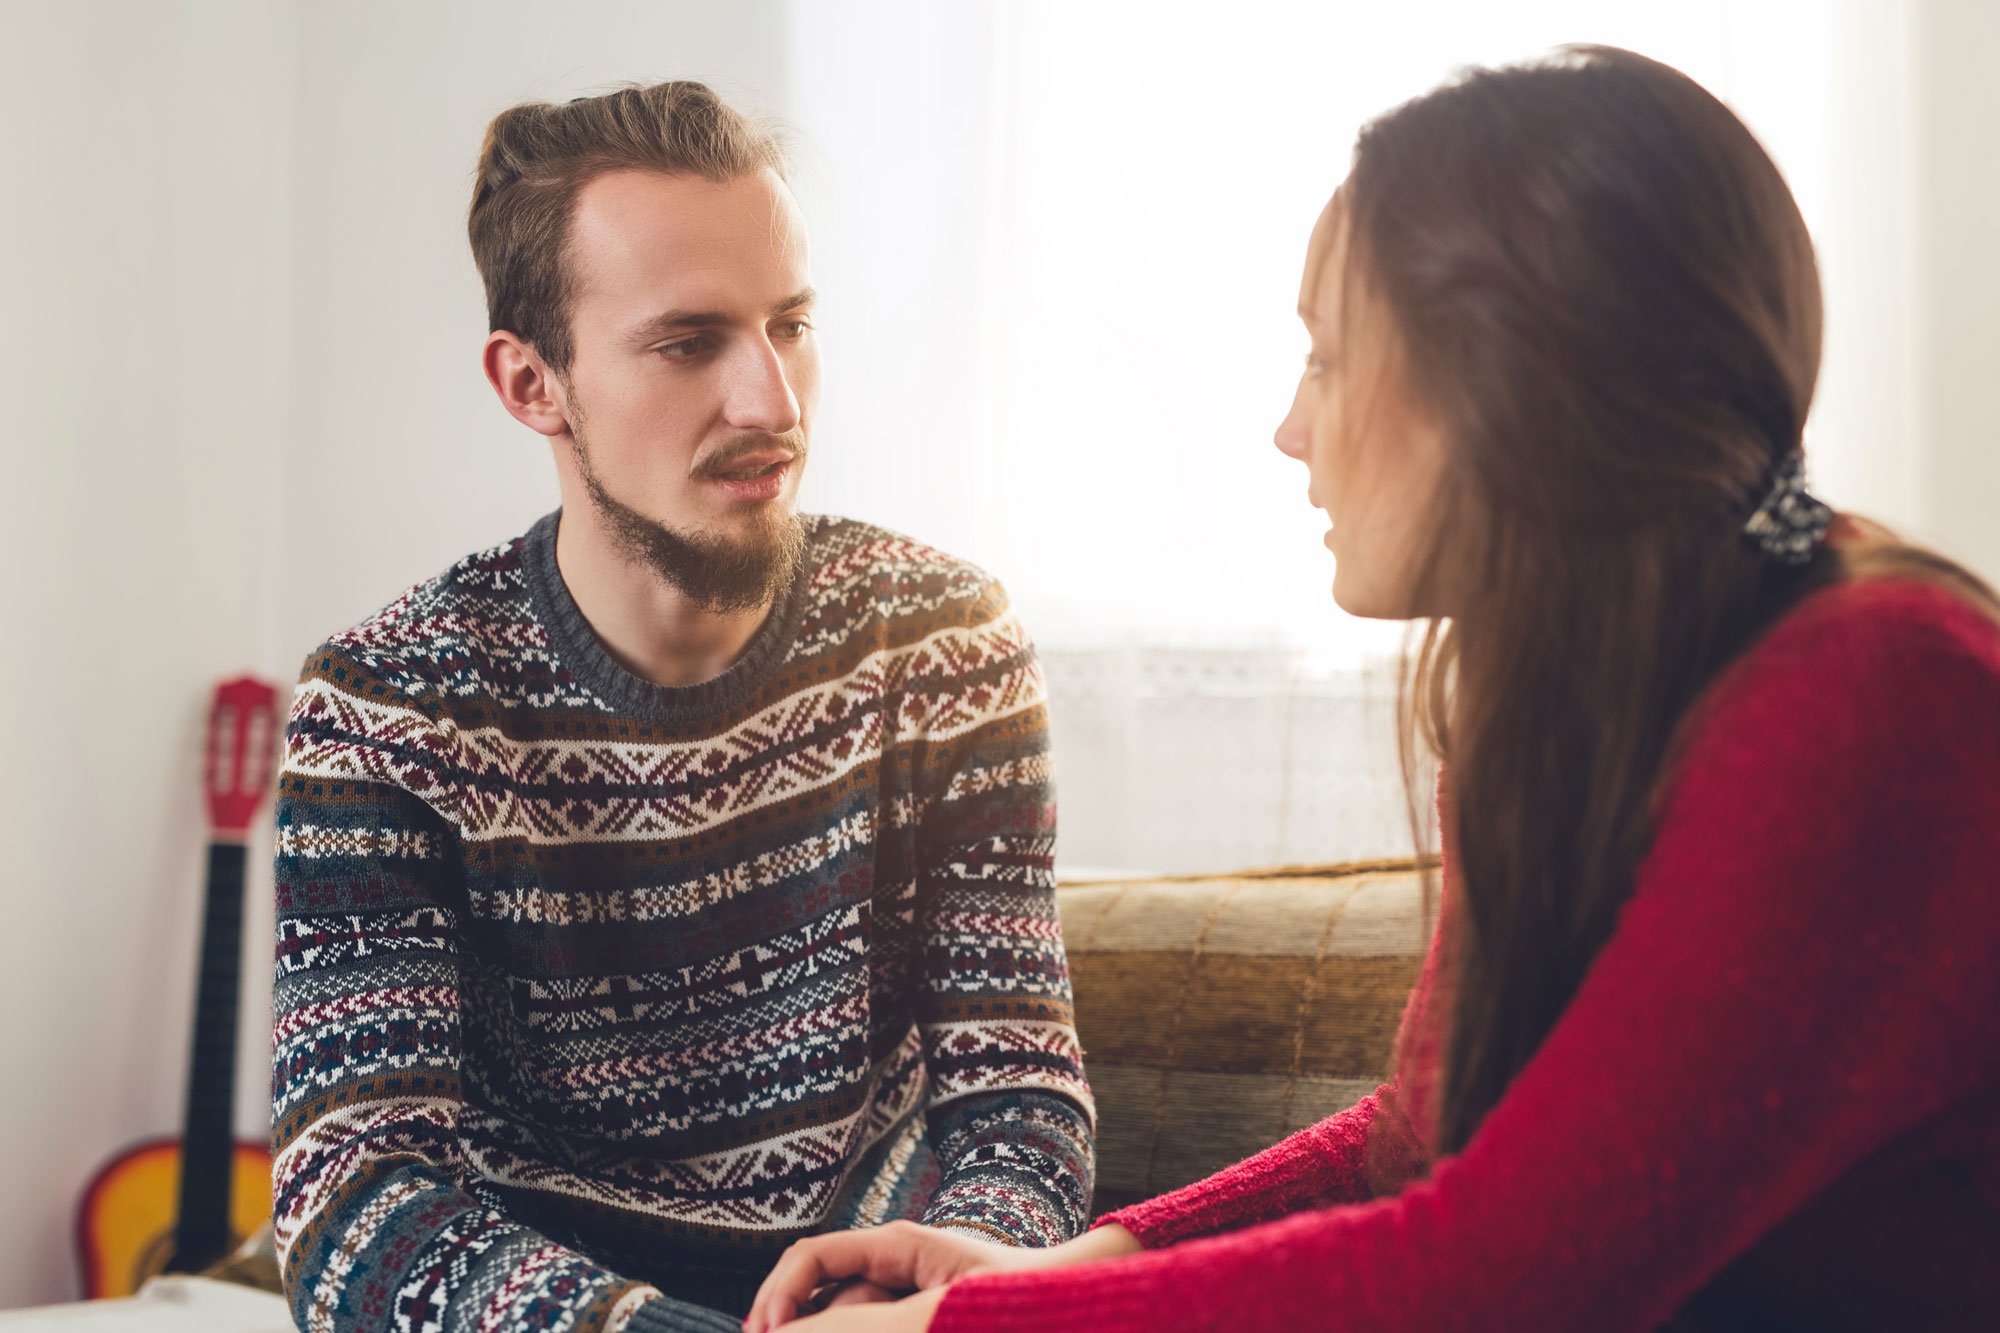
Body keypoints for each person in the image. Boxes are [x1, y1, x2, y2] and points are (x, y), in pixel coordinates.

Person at [744, 45, 2000, 1332]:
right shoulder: (1575, 686)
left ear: (1501, 381)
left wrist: (950, 1330)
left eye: (1327, 358)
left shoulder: (1873, 692)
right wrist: (1081, 1263)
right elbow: (1429, 1134)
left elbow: (1499, 1268)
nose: (1292, 428)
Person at [267, 81, 1095, 1333]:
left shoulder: (942, 640)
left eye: (792, 324)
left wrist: (949, 1276)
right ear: (532, 383)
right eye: (688, 341)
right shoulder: (389, 706)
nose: (773, 402)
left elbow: (1015, 1094)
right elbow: (351, 1194)